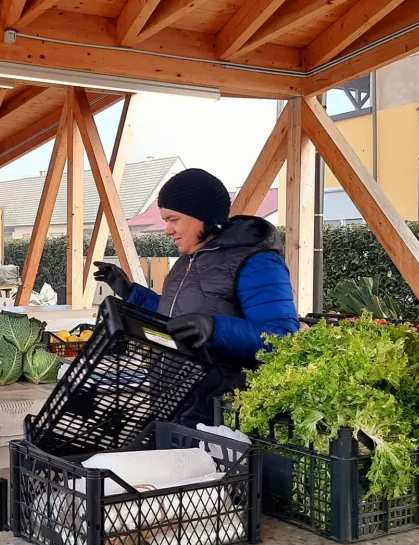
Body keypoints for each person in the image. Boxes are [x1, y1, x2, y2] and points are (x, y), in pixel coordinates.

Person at [94, 168, 299, 426]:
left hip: (220, 414)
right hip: (174, 401)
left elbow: (284, 338)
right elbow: (179, 319)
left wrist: (215, 328)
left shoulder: (257, 261)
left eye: (174, 219)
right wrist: (132, 293)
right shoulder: (186, 261)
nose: (167, 230)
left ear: (202, 216)